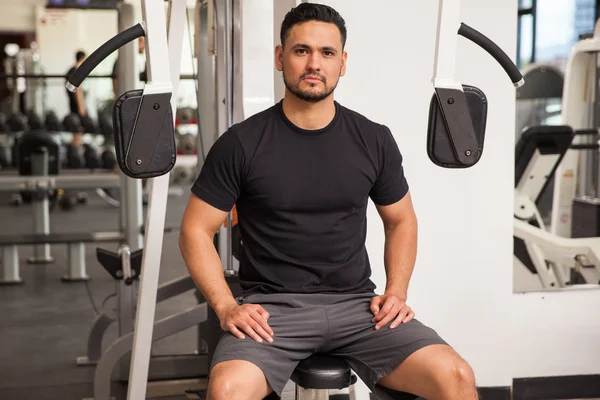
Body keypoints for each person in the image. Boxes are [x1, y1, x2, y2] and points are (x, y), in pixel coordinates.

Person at [179, 3, 478, 400]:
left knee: (456, 376)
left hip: (358, 308)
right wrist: (225, 305)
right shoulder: (242, 143)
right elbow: (194, 230)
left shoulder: (374, 139)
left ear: (343, 62)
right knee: (228, 389)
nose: (314, 63)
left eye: (327, 53)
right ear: (279, 58)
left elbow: (401, 220)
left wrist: (397, 292)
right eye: (301, 51)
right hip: (273, 310)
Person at [66, 50, 87, 118]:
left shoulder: (70, 70)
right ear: (83, 59)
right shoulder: (77, 72)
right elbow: (78, 90)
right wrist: (81, 106)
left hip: (72, 102)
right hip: (77, 103)